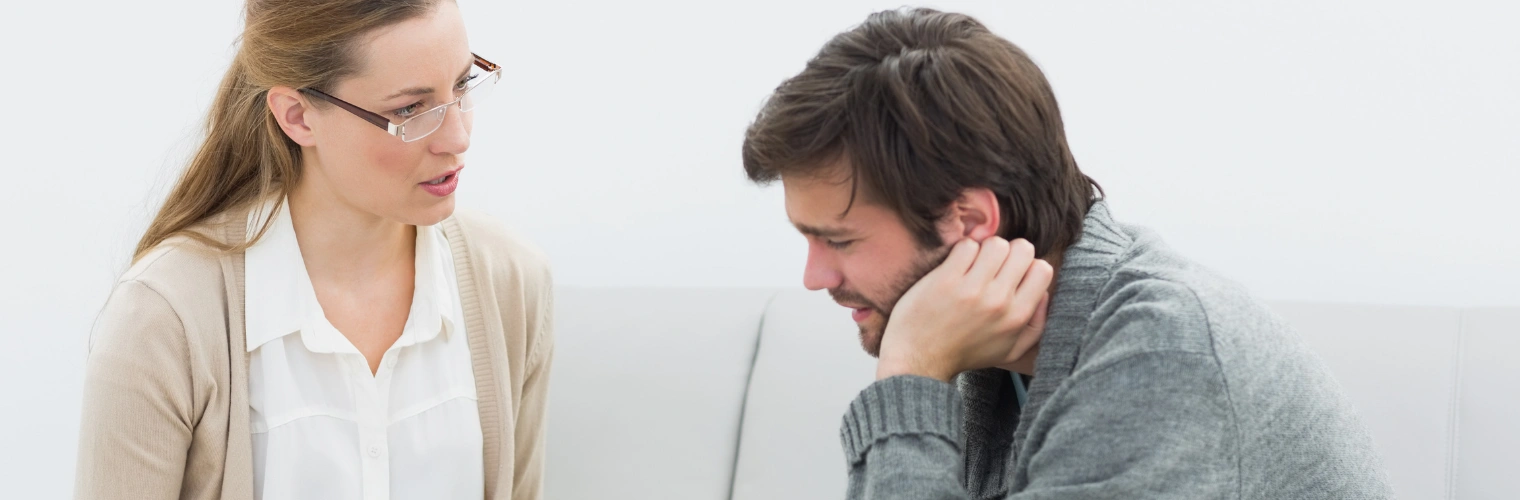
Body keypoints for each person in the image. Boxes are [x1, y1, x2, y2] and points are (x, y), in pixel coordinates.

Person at [741, 8, 1392, 499]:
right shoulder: (997, 345)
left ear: (970, 221)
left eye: (840, 240)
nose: (814, 276)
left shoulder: (1161, 356)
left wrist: (912, 373)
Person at [74, 1, 553, 499]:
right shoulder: (165, 320)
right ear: (298, 116)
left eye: (461, 85)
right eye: (409, 109)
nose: (458, 137)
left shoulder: (512, 282)